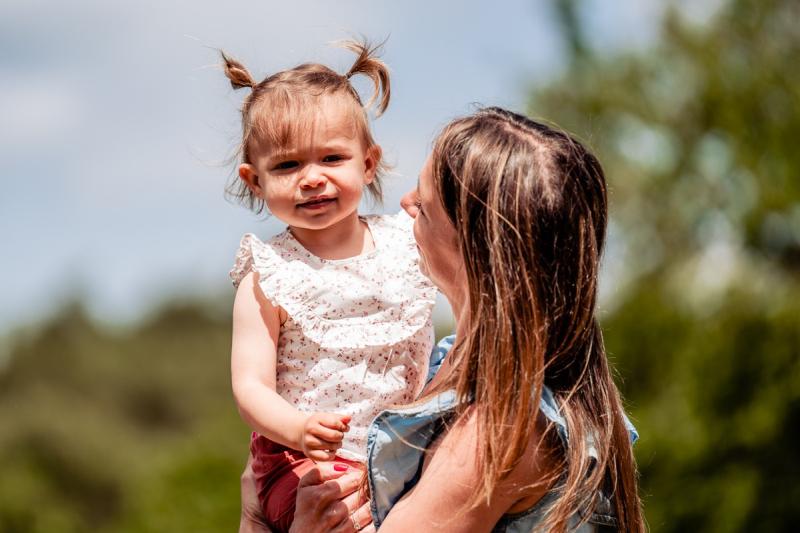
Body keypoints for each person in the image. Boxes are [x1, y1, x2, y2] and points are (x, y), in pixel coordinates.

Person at [242, 107, 646, 532]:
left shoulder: (492, 433)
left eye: (425, 206)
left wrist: (260, 519)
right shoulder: (443, 368)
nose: (404, 204)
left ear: (473, 247)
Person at [224, 41, 437, 533]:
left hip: (405, 443)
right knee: (345, 510)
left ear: (367, 163)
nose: (312, 178)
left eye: (332, 158)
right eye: (287, 166)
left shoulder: (407, 241)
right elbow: (249, 385)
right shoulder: (269, 271)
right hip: (303, 461)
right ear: (255, 181)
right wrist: (297, 429)